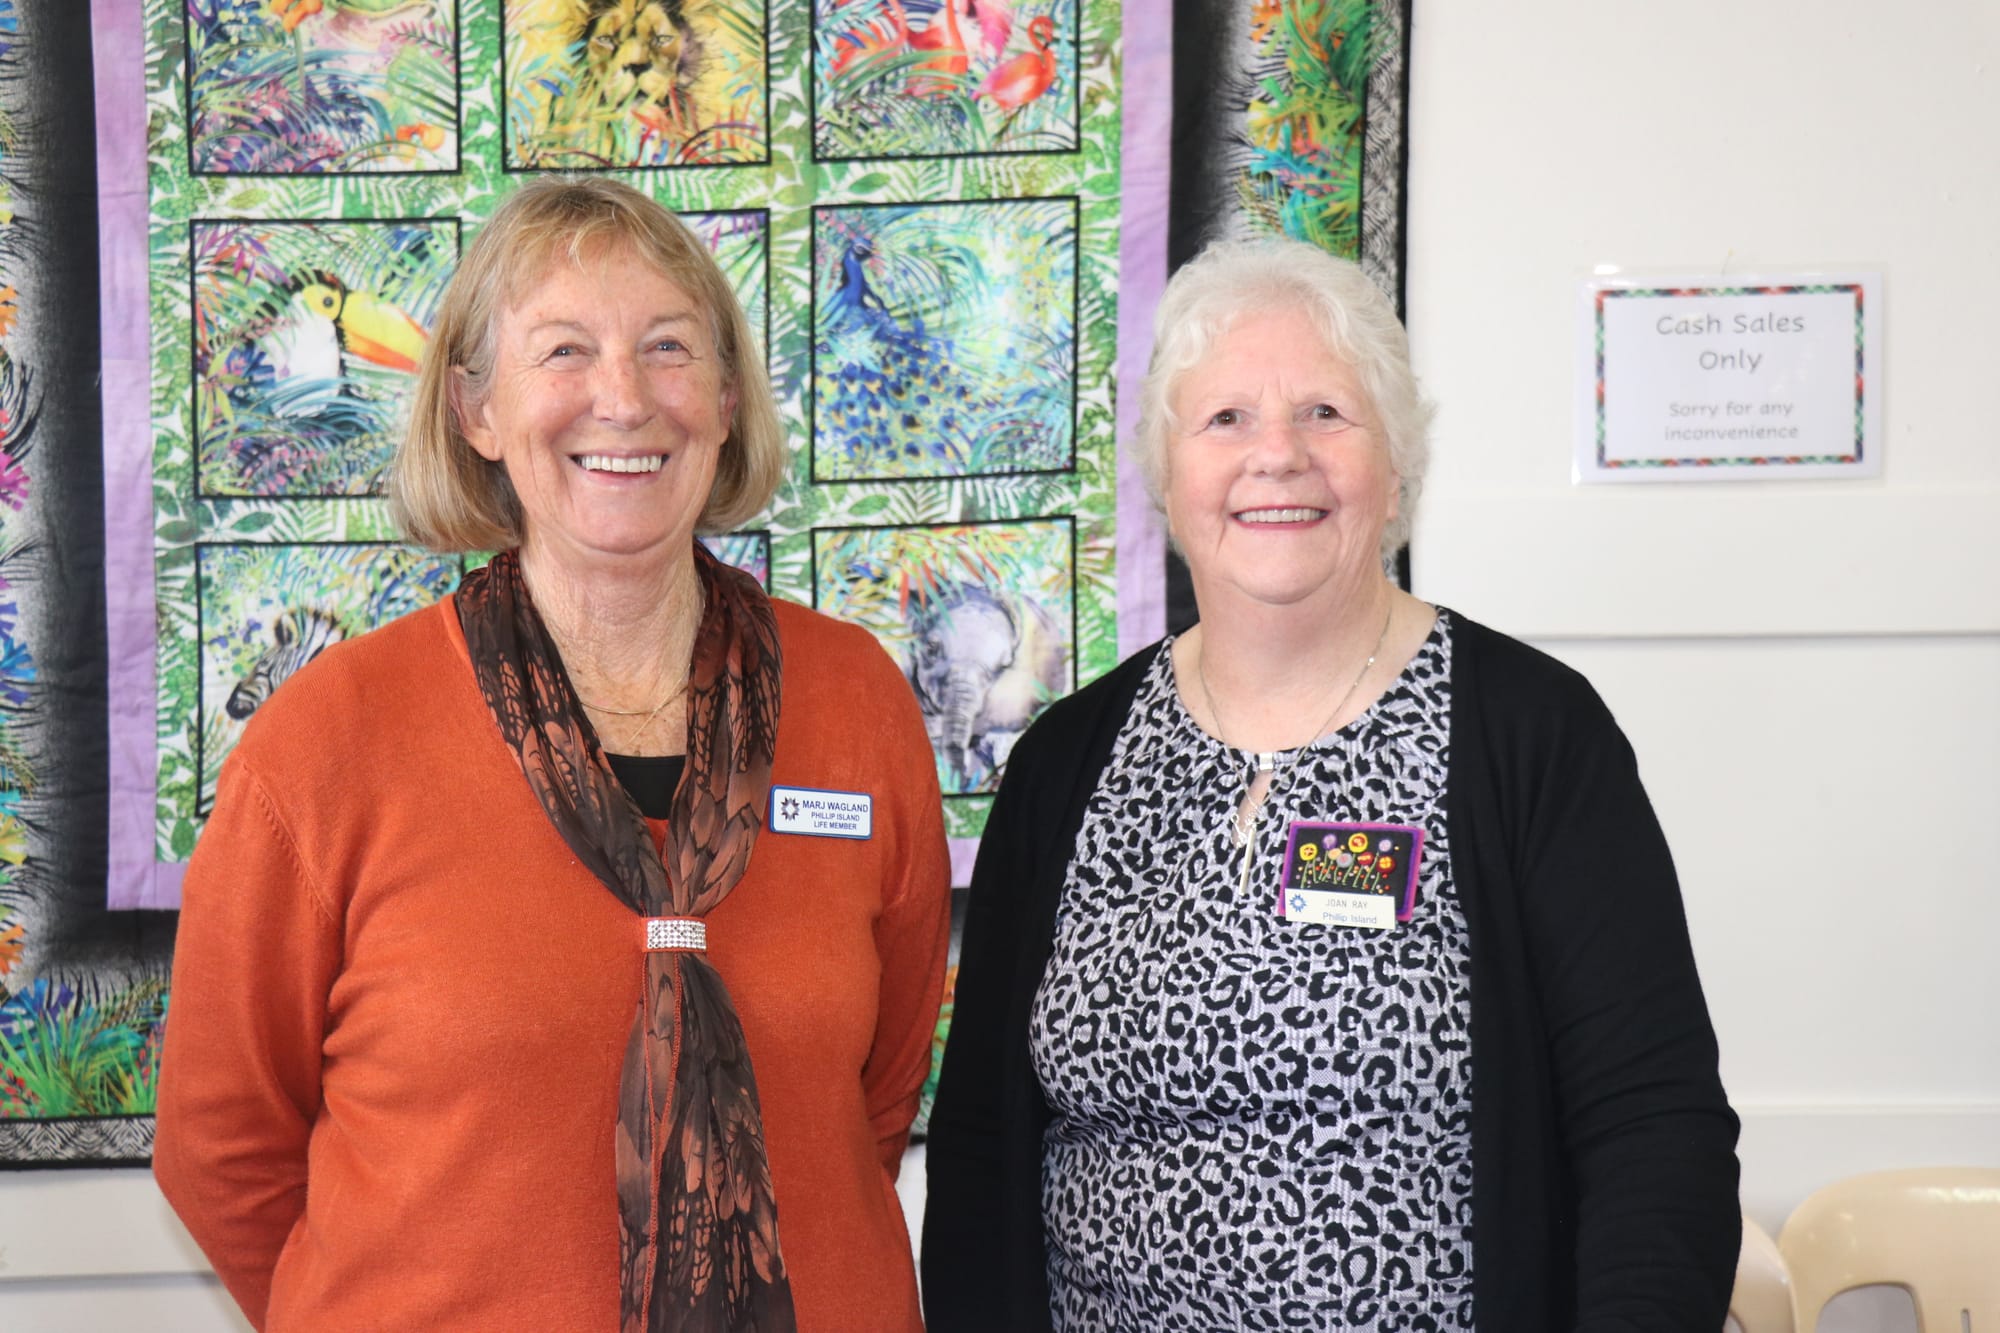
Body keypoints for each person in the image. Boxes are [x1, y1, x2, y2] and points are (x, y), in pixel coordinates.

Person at [155, 177, 950, 1332]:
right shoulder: (329, 739)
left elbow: (871, 1104)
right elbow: (222, 1144)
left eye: (668, 347)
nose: (622, 399)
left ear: (726, 399)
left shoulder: (856, 701)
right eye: (563, 350)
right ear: (475, 410)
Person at [921, 238, 1740, 1331]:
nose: (1277, 455)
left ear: (1395, 466)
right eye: (1225, 418)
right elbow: (979, 1149)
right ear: (1167, 476)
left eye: (1324, 413)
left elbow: (1653, 1128)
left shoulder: (1532, 736)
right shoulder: (1063, 763)